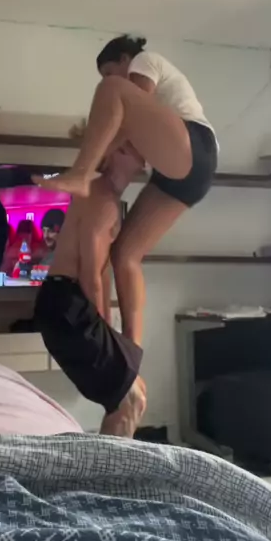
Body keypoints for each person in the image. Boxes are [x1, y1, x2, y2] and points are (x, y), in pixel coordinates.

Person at [34, 35, 218, 346]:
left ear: (124, 59)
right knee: (125, 254)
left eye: (109, 71)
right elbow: (128, 132)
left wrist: (95, 161)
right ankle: (131, 348)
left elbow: (126, 121)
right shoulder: (142, 115)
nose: (107, 79)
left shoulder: (145, 61)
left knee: (112, 91)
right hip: (184, 177)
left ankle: (80, 174)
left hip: (195, 146)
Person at [35, 148, 146, 438]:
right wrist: (104, 327)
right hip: (67, 304)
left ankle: (108, 460)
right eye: (138, 143)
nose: (147, 149)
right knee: (130, 401)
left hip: (65, 302)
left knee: (134, 393)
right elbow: (90, 276)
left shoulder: (106, 195)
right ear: (119, 150)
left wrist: (108, 330)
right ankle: (107, 466)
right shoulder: (101, 198)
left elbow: (101, 275)